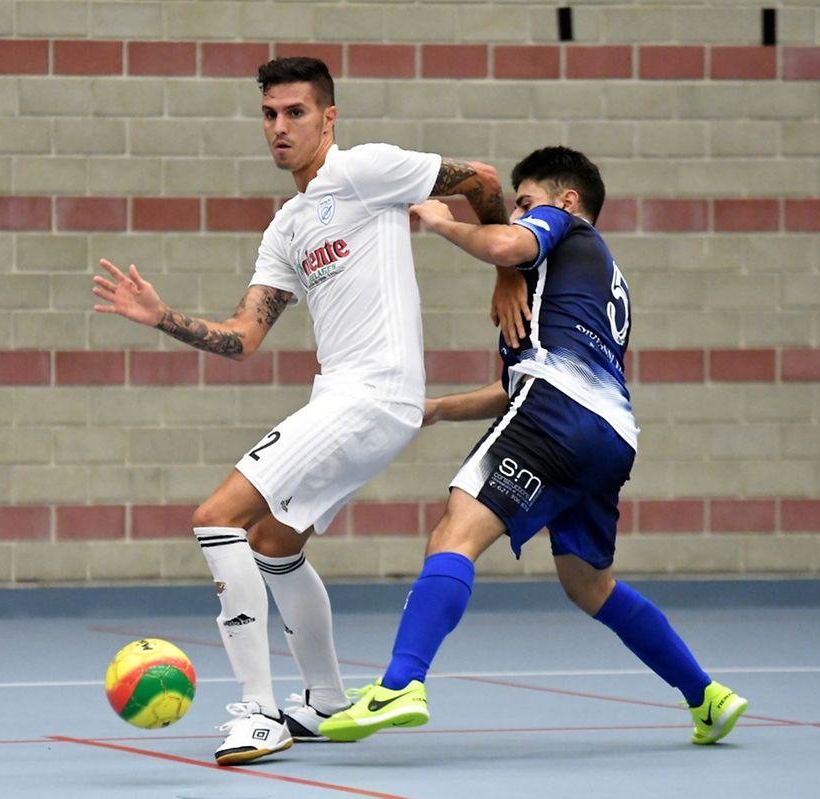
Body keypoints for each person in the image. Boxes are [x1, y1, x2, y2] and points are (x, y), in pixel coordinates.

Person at [90, 56, 510, 766]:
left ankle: (257, 712)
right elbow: (243, 338)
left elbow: (484, 180)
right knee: (273, 543)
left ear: (328, 117)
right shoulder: (287, 228)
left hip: (375, 393)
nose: (280, 127)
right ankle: (322, 700)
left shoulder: (365, 170)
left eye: (295, 113)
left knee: (216, 515)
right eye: (269, 114)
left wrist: (508, 267)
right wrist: (161, 316)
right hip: (346, 396)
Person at [319, 145, 749, 747]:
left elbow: (505, 246)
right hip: (609, 432)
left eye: (524, 203)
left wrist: (444, 222)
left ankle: (400, 684)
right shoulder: (592, 277)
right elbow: (514, 385)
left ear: (566, 200)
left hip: (559, 412)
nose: (517, 214)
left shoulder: (562, 225)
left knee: (454, 535)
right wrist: (440, 409)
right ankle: (707, 696)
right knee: (588, 585)